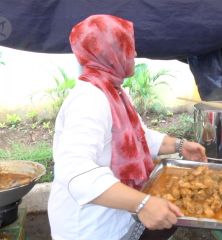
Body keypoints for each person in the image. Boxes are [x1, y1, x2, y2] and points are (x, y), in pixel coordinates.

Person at [47, 15, 207, 240]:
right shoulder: (88, 100)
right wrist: (143, 203)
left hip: (117, 218)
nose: (134, 53)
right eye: (127, 47)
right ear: (109, 53)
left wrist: (180, 145)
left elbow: (139, 136)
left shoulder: (113, 91)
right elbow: (75, 171)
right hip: (89, 228)